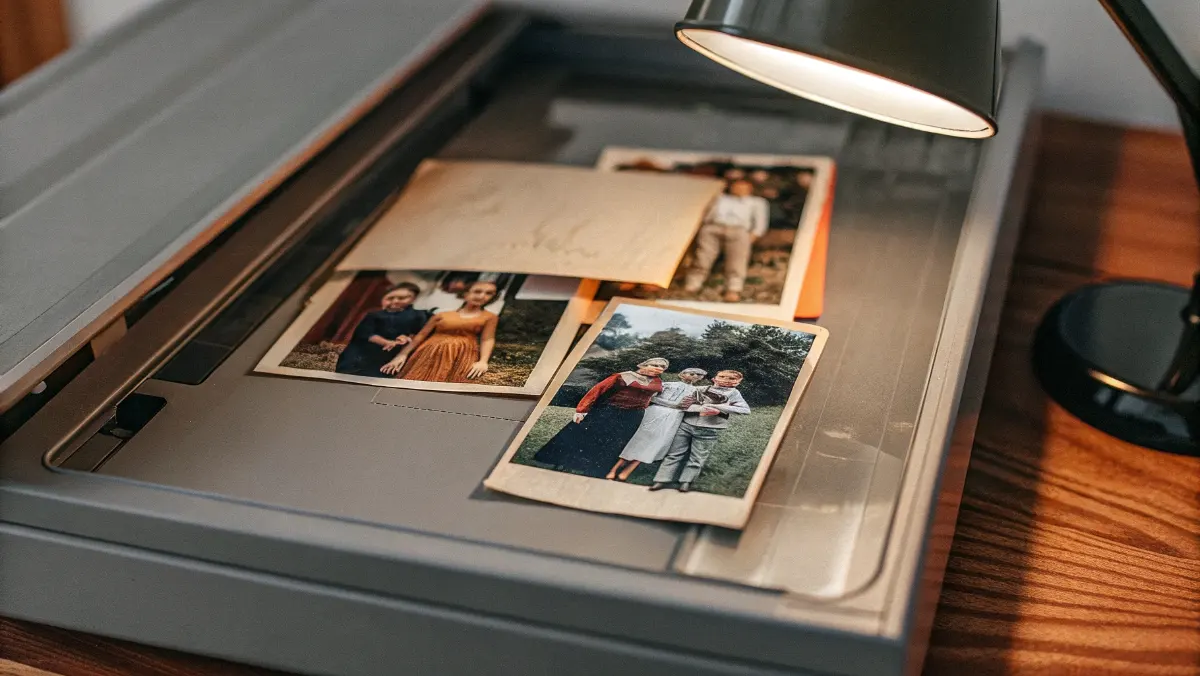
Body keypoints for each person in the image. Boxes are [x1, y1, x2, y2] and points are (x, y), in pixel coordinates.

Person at [532, 358, 668, 478]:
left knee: (615, 444)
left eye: (662, 367)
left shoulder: (657, 382)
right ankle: (564, 463)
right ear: (643, 365)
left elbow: (652, 398)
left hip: (633, 416)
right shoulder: (623, 376)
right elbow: (598, 390)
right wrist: (582, 410)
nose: (659, 368)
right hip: (611, 411)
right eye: (655, 365)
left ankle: (595, 470)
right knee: (588, 437)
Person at [650, 369, 750, 493]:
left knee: (697, 457)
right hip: (686, 425)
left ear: (738, 382)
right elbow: (683, 404)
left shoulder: (734, 393)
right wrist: (699, 408)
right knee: (674, 454)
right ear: (714, 378)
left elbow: (745, 410)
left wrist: (718, 408)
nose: (726, 380)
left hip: (709, 429)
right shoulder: (701, 389)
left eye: (731, 378)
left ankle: (686, 482)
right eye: (722, 376)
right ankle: (661, 480)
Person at [379, 280, 499, 383]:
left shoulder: (490, 317)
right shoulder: (442, 315)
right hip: (428, 354)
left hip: (460, 356)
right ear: (466, 293)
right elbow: (421, 335)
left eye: (489, 293)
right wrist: (402, 355)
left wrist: (483, 361)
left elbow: (487, 339)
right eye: (477, 291)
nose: (482, 296)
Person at [606, 367, 708, 482]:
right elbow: (652, 398)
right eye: (692, 374)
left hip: (674, 417)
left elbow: (697, 405)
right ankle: (614, 469)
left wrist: (690, 405)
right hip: (656, 413)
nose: (695, 377)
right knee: (639, 439)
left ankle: (627, 471)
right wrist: (673, 404)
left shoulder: (696, 391)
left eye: (698, 376)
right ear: (682, 374)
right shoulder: (667, 385)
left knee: (655, 443)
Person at [684, 179, 770, 303]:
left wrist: (752, 236)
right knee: (703, 257)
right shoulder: (720, 198)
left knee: (737, 262)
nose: (739, 189)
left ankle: (733, 289)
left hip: (738, 230)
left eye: (743, 187)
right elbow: (706, 213)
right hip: (713, 228)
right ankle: (693, 285)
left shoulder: (756, 202)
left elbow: (760, 222)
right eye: (736, 186)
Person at [334, 282, 428, 377]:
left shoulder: (418, 315)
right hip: (361, 355)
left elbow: (421, 332)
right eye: (390, 298)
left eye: (402, 298)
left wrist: (407, 338)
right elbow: (364, 333)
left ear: (413, 298)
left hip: (387, 359)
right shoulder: (374, 315)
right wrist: (386, 342)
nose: (395, 301)